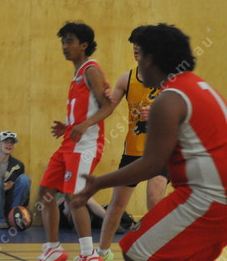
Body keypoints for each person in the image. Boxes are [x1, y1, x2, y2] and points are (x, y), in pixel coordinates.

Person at [73, 24, 227, 261]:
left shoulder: (170, 98)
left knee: (135, 249)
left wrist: (99, 182)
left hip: (207, 198)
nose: (138, 62)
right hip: (210, 195)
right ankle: (103, 250)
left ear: (151, 60)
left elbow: (151, 165)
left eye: (141, 54)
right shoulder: (199, 85)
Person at [37, 22, 114, 261]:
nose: (64, 46)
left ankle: (88, 254)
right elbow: (83, 109)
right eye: (63, 41)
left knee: (74, 196)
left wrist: (85, 125)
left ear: (84, 45)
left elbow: (108, 106)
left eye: (70, 41)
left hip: (85, 145)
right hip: (70, 142)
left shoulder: (91, 70)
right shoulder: (77, 73)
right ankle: (53, 248)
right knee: (45, 191)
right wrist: (68, 125)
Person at [95, 27, 168, 261]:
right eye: (133, 43)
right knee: (117, 205)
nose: (136, 47)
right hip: (133, 152)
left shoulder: (168, 78)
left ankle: (158, 252)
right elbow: (108, 107)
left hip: (160, 152)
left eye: (140, 43)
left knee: (154, 200)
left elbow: (182, 113)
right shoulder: (127, 79)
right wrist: (100, 95)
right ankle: (102, 252)